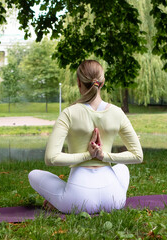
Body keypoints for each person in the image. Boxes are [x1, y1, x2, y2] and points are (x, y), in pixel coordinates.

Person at [28, 60, 143, 214]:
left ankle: (58, 202)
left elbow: (51, 158)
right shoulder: (117, 112)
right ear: (102, 83)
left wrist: (88, 155)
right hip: (114, 199)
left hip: (78, 200)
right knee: (122, 168)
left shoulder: (69, 113)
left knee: (33, 175)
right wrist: (103, 156)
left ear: (78, 82)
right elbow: (138, 156)